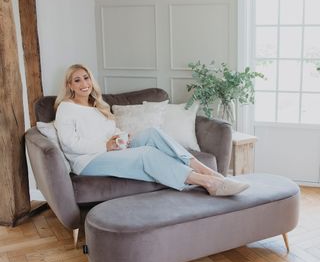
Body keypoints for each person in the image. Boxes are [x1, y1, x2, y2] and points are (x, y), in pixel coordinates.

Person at [54, 64, 249, 196]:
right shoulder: (66, 108)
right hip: (87, 161)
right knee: (146, 154)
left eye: (86, 78)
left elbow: (108, 132)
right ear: (69, 85)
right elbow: (70, 144)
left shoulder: (97, 106)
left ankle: (209, 172)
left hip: (108, 151)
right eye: (77, 80)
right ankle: (209, 183)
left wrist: (119, 137)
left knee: (152, 133)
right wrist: (106, 145)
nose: (84, 84)